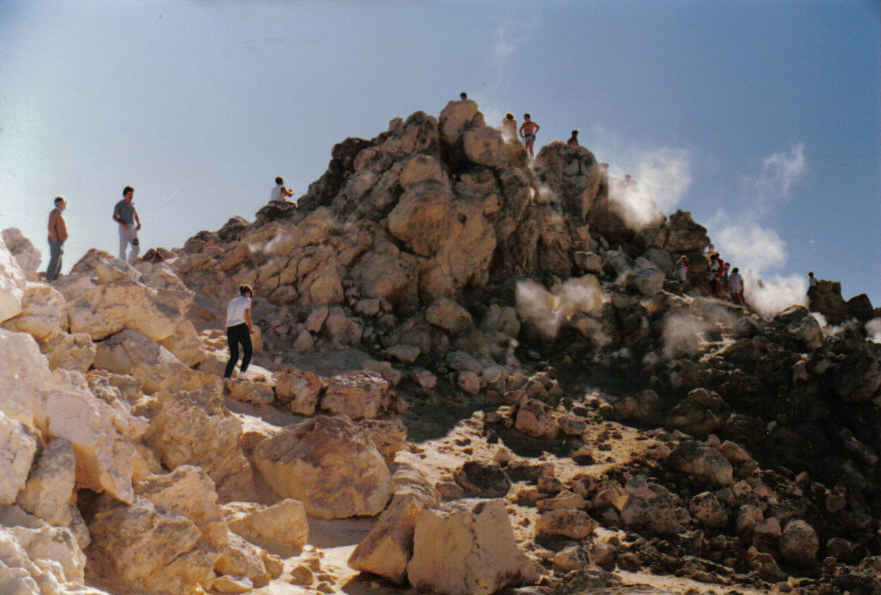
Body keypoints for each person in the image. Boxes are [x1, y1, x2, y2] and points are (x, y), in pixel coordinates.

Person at [224, 284, 254, 381]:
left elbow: (227, 315)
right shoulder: (247, 300)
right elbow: (246, 314)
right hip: (241, 327)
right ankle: (242, 373)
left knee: (234, 355)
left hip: (230, 328)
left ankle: (226, 377)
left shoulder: (232, 301)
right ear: (248, 293)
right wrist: (250, 327)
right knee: (248, 351)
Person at [112, 186, 141, 264]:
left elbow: (135, 214)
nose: (131, 196)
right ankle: (123, 266)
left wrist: (138, 223)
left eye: (132, 194)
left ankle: (129, 264)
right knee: (123, 248)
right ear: (125, 194)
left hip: (132, 228)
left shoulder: (132, 204)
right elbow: (114, 217)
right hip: (123, 228)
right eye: (130, 194)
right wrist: (122, 223)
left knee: (136, 248)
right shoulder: (120, 204)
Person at [46, 196, 67, 281]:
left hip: (59, 241)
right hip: (55, 240)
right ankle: (49, 279)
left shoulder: (58, 214)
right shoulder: (54, 213)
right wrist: (55, 239)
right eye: (64, 203)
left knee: (58, 261)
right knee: (55, 259)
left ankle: (54, 279)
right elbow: (50, 227)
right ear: (59, 204)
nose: (65, 205)